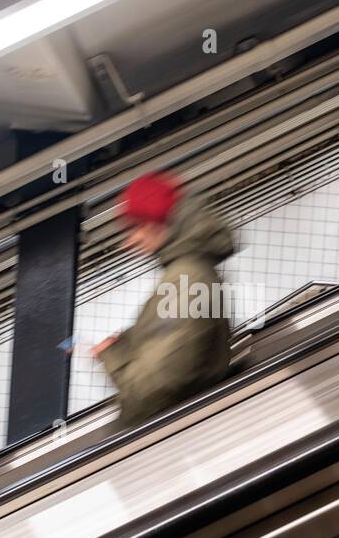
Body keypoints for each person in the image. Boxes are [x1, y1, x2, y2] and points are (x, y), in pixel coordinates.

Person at [92, 172, 236, 428]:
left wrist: (113, 356)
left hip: (180, 431)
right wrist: (123, 346)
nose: (130, 242)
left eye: (137, 226)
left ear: (159, 222)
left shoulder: (187, 280)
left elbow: (159, 386)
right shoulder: (186, 274)